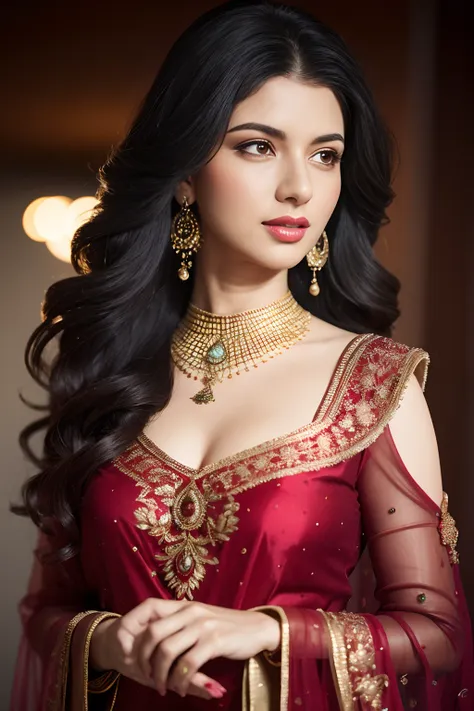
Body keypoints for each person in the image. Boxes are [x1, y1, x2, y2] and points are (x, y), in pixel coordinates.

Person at [9, 1, 473, 709]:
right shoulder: (108, 369)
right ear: (186, 173)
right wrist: (108, 640)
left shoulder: (375, 383)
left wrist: (267, 630)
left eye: (326, 154)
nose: (300, 186)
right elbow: (45, 613)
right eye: (258, 145)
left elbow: (437, 633)